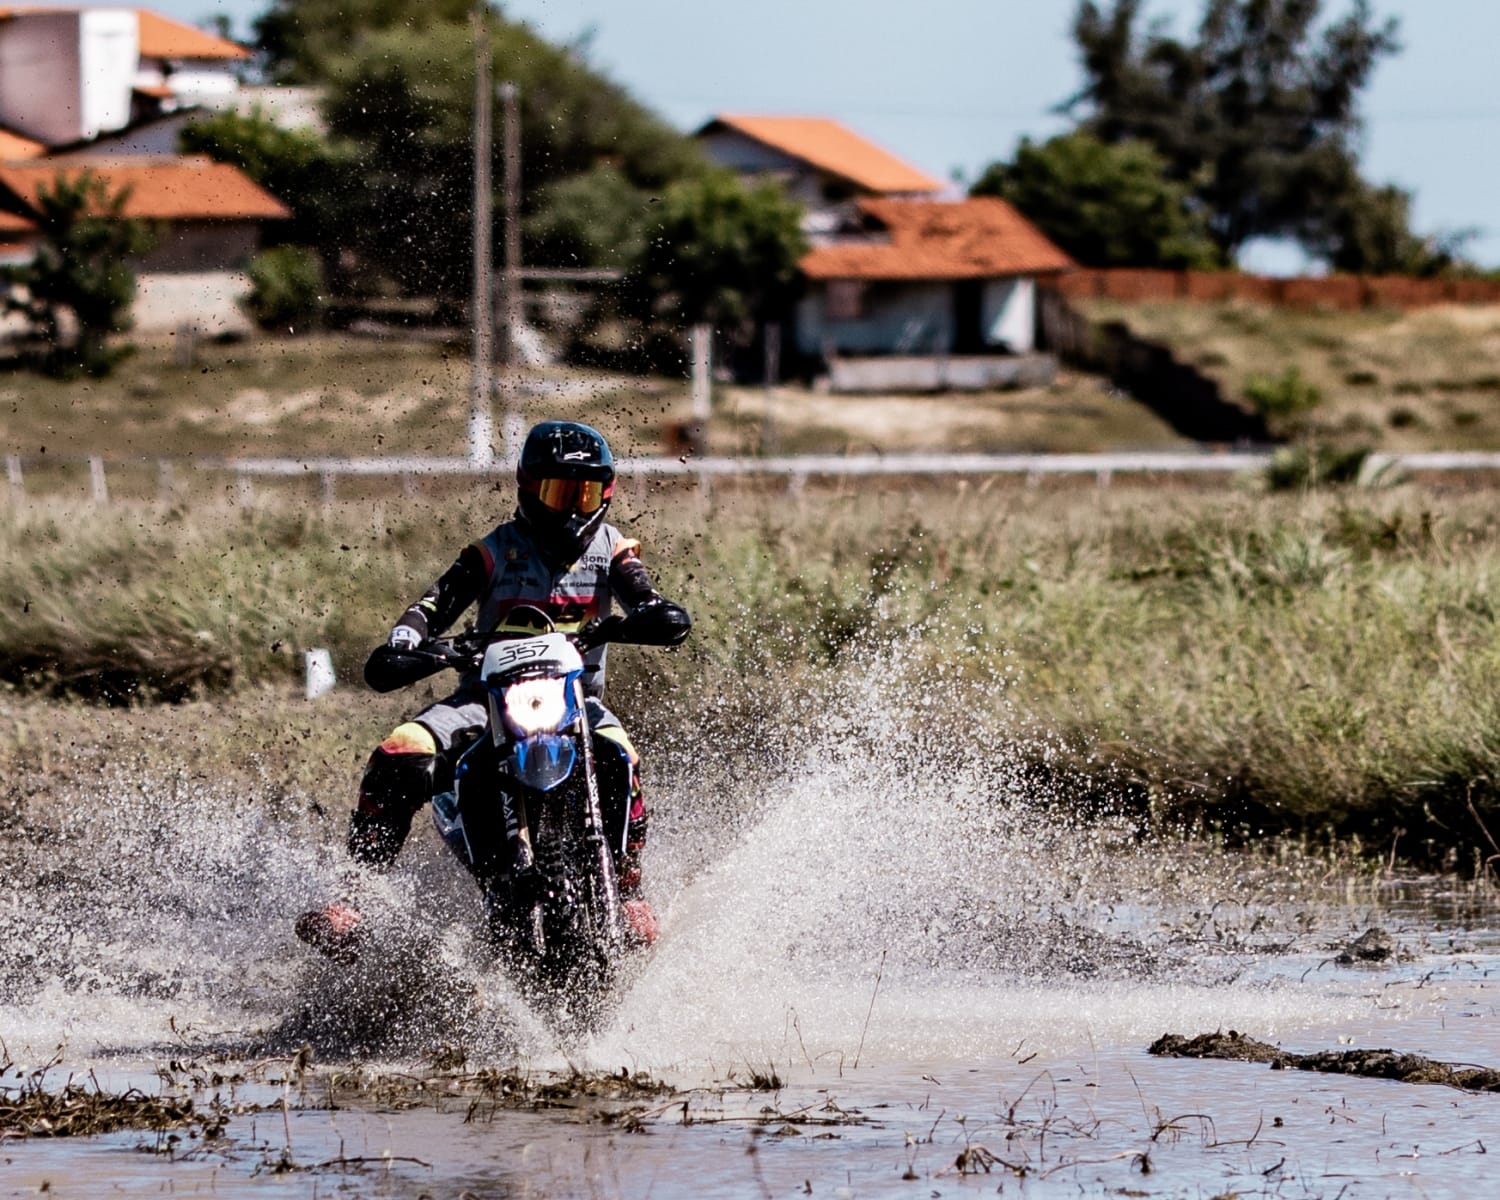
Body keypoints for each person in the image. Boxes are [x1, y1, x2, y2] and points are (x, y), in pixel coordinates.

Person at [297, 420, 690, 959]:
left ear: (607, 493)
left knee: (620, 755)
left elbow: (650, 601)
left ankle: (628, 890)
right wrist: (416, 645)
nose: (574, 508)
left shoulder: (615, 549)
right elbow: (428, 609)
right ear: (529, 490)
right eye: (559, 491)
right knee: (399, 753)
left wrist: (646, 617)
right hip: (481, 703)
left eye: (587, 492)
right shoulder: (490, 552)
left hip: (577, 703)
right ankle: (353, 898)